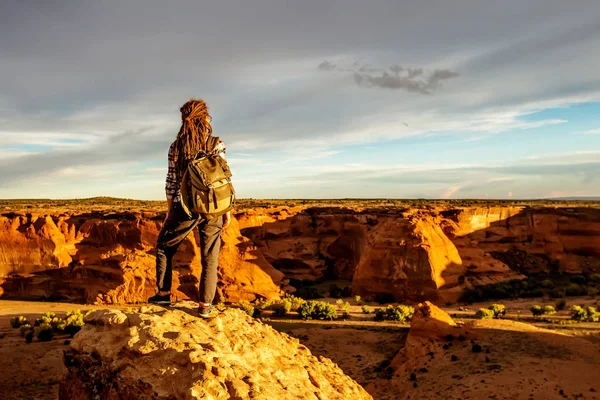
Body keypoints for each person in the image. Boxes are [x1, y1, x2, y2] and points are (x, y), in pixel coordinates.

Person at [148, 99, 231, 318]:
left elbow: (171, 182)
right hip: (213, 206)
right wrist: (227, 210)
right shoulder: (216, 143)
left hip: (184, 206)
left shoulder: (176, 146)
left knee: (165, 247)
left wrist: (170, 211)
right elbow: (224, 180)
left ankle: (164, 294)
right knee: (210, 256)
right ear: (205, 118)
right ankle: (205, 306)